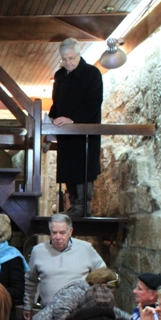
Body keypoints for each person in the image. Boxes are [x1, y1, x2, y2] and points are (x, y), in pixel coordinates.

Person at [49, 38, 103, 217]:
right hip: (66, 133)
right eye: (64, 59)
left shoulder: (92, 73)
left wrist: (73, 120)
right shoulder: (60, 76)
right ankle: (74, 204)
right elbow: (56, 102)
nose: (68, 63)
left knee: (83, 167)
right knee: (68, 168)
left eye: (71, 58)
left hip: (84, 132)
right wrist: (52, 118)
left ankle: (82, 206)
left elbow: (94, 103)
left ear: (79, 54)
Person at [23, 213, 105, 319]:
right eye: (54, 232)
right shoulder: (38, 251)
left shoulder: (85, 248)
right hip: (48, 313)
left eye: (62, 233)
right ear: (50, 232)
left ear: (70, 232)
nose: (58, 237)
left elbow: (103, 273)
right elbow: (30, 280)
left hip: (79, 313)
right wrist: (28, 305)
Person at [23, 267, 122, 320]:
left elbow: (106, 309)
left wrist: (127, 317)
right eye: (111, 292)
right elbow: (60, 310)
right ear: (103, 286)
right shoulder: (78, 290)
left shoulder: (91, 294)